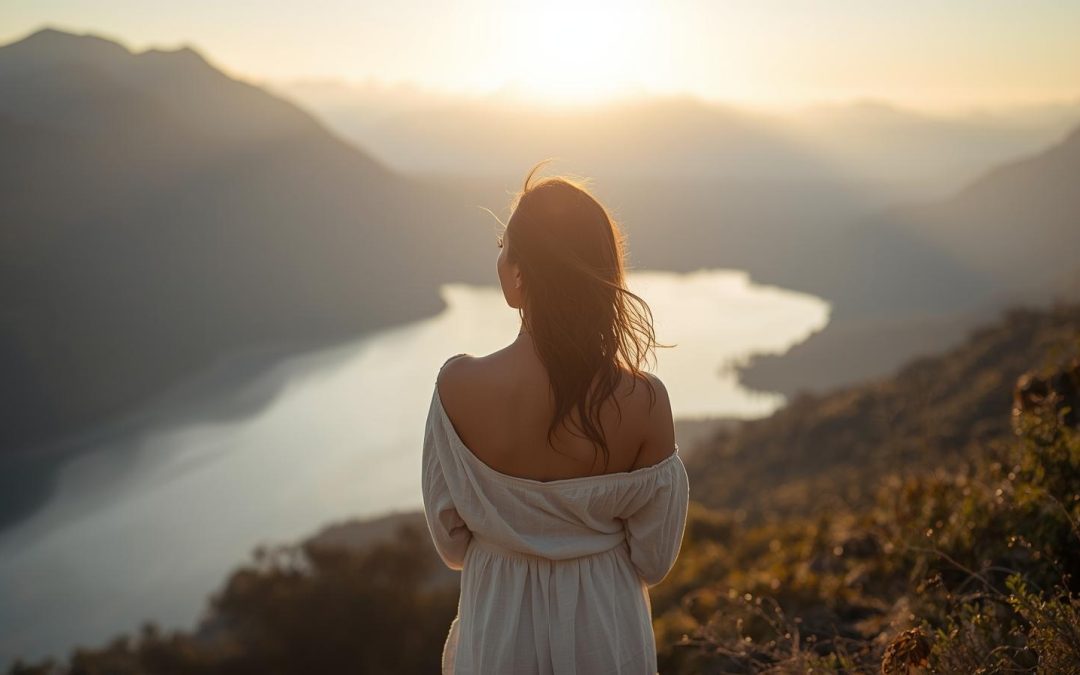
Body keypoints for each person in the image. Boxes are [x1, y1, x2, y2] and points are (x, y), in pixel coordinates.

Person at [422, 161, 690, 674]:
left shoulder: (456, 388)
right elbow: (653, 561)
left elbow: (451, 545)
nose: (498, 257)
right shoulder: (646, 402)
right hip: (605, 634)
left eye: (503, 246)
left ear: (520, 275)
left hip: (497, 632)